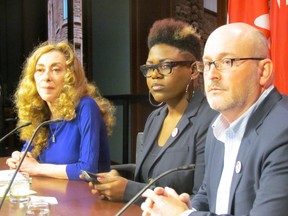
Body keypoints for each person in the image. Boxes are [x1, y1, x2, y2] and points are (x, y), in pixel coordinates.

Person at [141, 22, 288, 216]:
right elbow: (208, 196)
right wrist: (182, 206)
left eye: (227, 62)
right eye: (208, 64)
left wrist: (182, 215)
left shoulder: (282, 130)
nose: (212, 75)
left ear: (263, 71)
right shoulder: (219, 127)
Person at [81, 18, 217, 203]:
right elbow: (149, 174)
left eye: (165, 66)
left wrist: (129, 191)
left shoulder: (211, 121)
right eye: (150, 67)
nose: (154, 75)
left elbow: (202, 200)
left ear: (193, 70)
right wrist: (116, 176)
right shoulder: (155, 117)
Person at [6, 41, 115, 180]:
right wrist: (20, 160)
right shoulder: (40, 114)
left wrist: (37, 168)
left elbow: (87, 171)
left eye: (56, 70)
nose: (46, 77)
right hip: (48, 195)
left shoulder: (86, 107)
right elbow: (28, 157)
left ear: (71, 77)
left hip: (85, 198)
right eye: (40, 70)